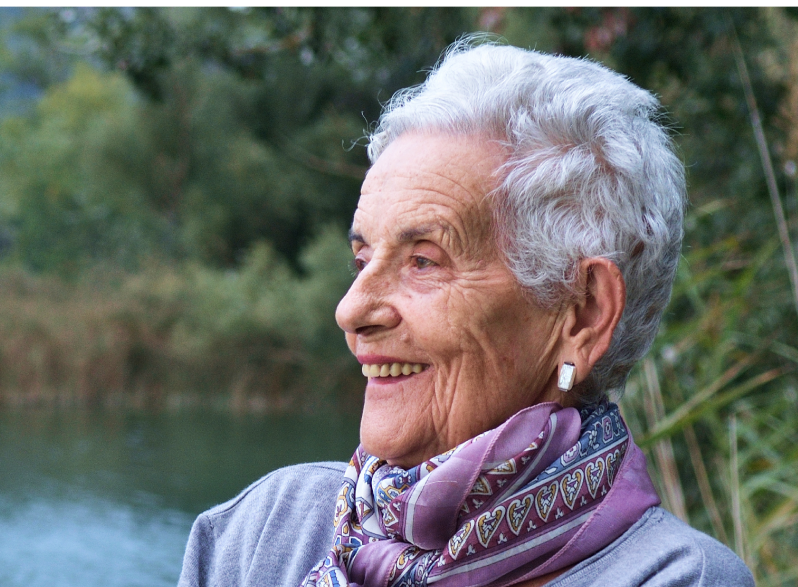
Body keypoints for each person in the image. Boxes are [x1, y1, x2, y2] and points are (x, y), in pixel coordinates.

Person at [179, 39, 755, 587]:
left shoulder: (672, 577)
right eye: (361, 260)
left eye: (423, 261)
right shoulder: (265, 532)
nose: (351, 310)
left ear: (581, 314)